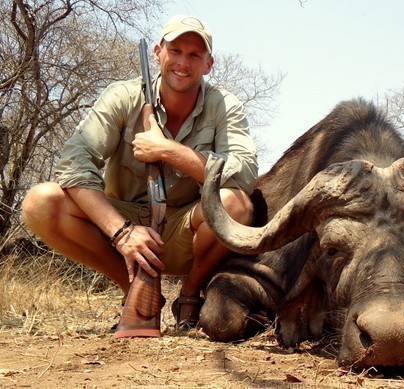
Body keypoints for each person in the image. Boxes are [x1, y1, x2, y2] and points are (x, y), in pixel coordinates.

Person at [21, 15, 258, 329]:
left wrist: (167, 150)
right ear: (158, 52)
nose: (183, 63)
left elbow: (245, 174)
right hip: (121, 226)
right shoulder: (122, 96)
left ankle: (188, 295)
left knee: (237, 204)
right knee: (41, 202)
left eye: (194, 55)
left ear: (209, 64)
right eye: (175, 51)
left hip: (185, 230)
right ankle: (135, 288)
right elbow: (73, 163)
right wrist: (121, 232)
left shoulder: (225, 105)